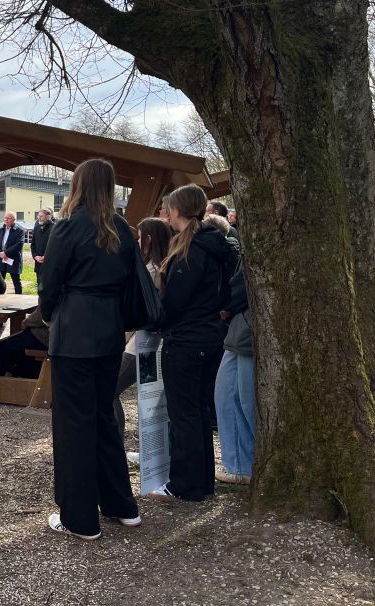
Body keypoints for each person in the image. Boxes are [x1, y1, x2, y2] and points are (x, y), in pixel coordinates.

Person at [39, 158, 141, 540]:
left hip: (74, 334)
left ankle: (80, 519)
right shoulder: (122, 230)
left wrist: (51, 316)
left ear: (79, 186)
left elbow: (48, 285)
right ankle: (120, 506)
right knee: (102, 418)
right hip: (109, 333)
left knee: (74, 425)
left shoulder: (67, 228)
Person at [149, 184, 240, 502]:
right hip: (211, 337)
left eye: (169, 209)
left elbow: (173, 303)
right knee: (199, 413)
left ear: (177, 211)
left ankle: (185, 486)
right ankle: (201, 483)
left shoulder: (191, 251)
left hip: (186, 341)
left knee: (185, 414)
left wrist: (152, 317)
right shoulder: (219, 246)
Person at [113, 217, 171, 440]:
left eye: (139, 238)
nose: (136, 242)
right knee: (152, 400)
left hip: (143, 343)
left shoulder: (152, 271)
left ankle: (115, 440)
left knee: (111, 388)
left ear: (148, 240)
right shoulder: (163, 266)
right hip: (146, 342)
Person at [215, 262, 255, 485]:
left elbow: (243, 285)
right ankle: (240, 465)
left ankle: (245, 464)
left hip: (247, 326)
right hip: (239, 328)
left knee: (245, 399)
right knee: (227, 395)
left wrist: (226, 305)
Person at [0, 306, 47, 379]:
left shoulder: (53, 294)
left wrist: (27, 322)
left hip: (50, 339)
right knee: (16, 341)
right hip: (58, 338)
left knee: (2, 349)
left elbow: (45, 310)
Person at [0, 211, 25, 294]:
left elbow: (19, 244)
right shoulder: (0, 230)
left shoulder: (20, 231)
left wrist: (6, 253)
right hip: (0, 258)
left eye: (8, 218)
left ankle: (19, 298)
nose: (6, 220)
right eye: (5, 218)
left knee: (16, 281)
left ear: (14, 219)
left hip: (12, 259)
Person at [31, 207, 55, 276]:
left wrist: (46, 257)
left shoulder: (55, 228)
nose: (39, 218)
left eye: (41, 216)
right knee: (39, 284)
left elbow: (56, 246)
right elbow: (33, 245)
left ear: (48, 216)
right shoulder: (37, 228)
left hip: (50, 263)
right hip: (38, 263)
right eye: (38, 216)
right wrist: (35, 256)